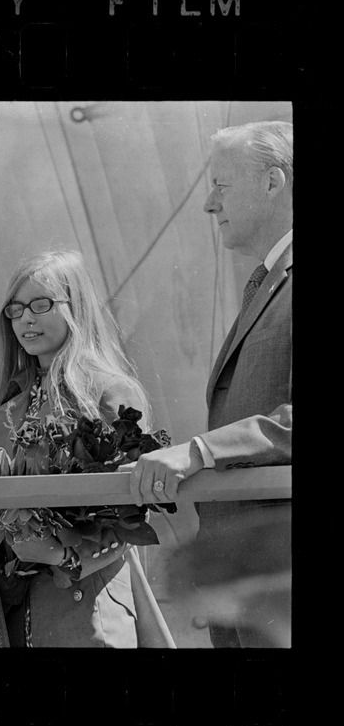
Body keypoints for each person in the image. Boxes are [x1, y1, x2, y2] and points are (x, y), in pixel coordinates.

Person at [123, 121, 292, 649]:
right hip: (243, 565)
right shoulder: (268, 282)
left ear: (273, 182)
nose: (208, 205)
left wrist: (198, 452)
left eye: (221, 185)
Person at [0, 250, 174, 647]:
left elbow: (132, 513)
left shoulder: (109, 392)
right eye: (15, 309)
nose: (26, 318)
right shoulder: (10, 407)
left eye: (40, 304)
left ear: (75, 307)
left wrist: (65, 558)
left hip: (87, 608)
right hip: (17, 609)